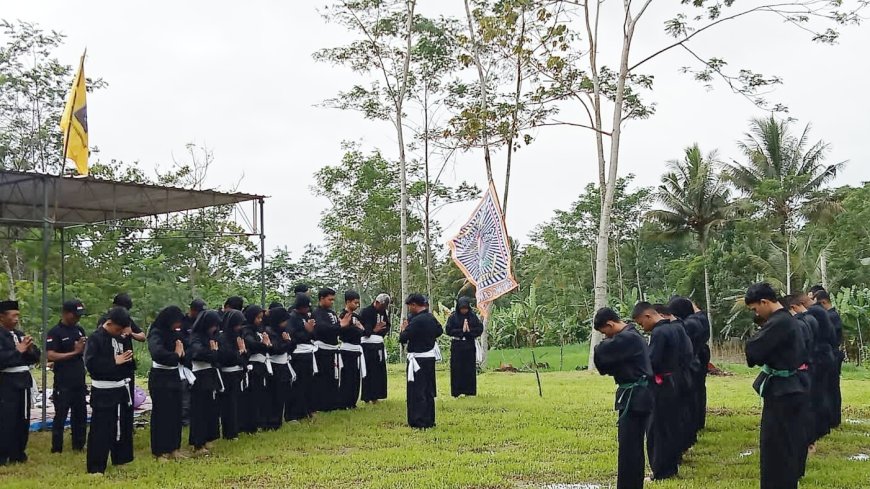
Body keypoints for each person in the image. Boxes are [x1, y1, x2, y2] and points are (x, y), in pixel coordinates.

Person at [744, 283, 810, 489]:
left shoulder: (779, 322)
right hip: (790, 387)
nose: (756, 313)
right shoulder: (787, 320)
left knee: (776, 447)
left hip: (783, 392)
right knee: (785, 444)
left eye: (755, 309)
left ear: (764, 302)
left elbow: (753, 351)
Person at [593, 307, 653, 489]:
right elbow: (606, 366)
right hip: (636, 395)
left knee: (629, 447)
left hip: (635, 396)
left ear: (610, 324)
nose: (606, 338)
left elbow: (600, 354)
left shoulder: (628, 338)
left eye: (606, 333)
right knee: (631, 446)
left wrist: (602, 346)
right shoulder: (630, 336)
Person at [632, 301, 692, 481]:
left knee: (656, 429)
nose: (643, 328)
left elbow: (652, 361)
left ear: (648, 316)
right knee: (671, 427)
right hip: (676, 380)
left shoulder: (659, 332)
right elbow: (688, 353)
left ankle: (660, 471)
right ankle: (671, 467)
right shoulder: (677, 327)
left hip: (660, 385)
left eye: (642, 323)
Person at [84, 306, 135, 475]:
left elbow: (126, 362)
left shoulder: (120, 338)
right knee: (101, 429)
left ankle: (120, 458)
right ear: (109, 322)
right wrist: (114, 361)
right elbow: (91, 365)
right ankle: (96, 466)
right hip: (103, 391)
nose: (120, 332)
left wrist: (127, 362)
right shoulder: (96, 338)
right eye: (118, 329)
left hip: (120, 388)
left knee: (120, 425)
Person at [97, 293, 145, 456]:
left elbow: (142, 336)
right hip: (110, 371)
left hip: (126, 367)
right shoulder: (105, 322)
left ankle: (126, 429)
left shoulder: (127, 320)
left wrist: (130, 333)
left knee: (128, 401)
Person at [148, 305, 191, 460]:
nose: (178, 325)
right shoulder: (156, 333)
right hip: (160, 376)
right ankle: (160, 451)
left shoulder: (175, 334)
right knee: (162, 414)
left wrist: (183, 355)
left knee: (175, 412)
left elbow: (185, 350)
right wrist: (176, 354)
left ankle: (174, 448)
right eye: (176, 322)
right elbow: (157, 353)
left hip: (174, 375)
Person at [0, 300, 40, 466]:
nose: (16, 319)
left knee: (22, 418)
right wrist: (18, 350)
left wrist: (29, 349)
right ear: (2, 317)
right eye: (13, 315)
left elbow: (35, 355)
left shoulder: (18, 334)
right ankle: (3, 454)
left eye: (18, 315)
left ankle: (18, 452)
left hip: (22, 383)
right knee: (5, 419)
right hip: (6, 383)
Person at [47, 299, 88, 454]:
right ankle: (56, 447)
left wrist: (83, 349)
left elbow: (82, 352)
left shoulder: (79, 330)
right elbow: (50, 355)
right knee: (61, 415)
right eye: (75, 315)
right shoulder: (55, 332)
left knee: (80, 413)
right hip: (63, 380)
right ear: (65, 313)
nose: (77, 318)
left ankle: (79, 444)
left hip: (78, 378)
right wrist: (74, 352)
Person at [667, 296, 706, 450]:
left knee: (685, 406)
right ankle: (692, 432)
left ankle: (686, 437)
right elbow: (700, 314)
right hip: (696, 364)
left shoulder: (685, 326)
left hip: (686, 367)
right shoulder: (699, 322)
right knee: (694, 400)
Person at [400, 294, 443, 429]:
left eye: (409, 306)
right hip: (429, 358)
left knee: (416, 390)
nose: (409, 309)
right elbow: (439, 331)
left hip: (417, 359)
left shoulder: (417, 321)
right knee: (428, 390)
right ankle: (429, 419)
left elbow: (404, 337)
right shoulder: (431, 318)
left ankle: (418, 420)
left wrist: (404, 329)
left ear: (414, 305)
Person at [802, 289, 838, 435]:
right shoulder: (821, 312)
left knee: (818, 393)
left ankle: (821, 426)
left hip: (820, 356)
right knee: (824, 391)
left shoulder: (813, 313)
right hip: (826, 354)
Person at [187, 310, 222, 455]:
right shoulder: (195, 337)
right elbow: (197, 353)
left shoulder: (211, 336)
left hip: (210, 373)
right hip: (199, 375)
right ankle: (198, 443)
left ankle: (209, 437)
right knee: (199, 410)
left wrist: (215, 354)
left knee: (210, 408)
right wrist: (213, 353)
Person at [312, 288, 349, 412]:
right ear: (322, 298)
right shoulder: (317, 313)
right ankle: (322, 404)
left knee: (333, 377)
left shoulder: (332, 313)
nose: (332, 302)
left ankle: (333, 402)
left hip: (333, 349)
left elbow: (337, 327)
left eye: (333, 299)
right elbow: (322, 328)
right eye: (330, 299)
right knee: (323, 378)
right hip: (322, 350)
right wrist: (339, 325)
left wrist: (340, 326)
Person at [814, 289, 843, 429]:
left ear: (823, 302)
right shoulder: (831, 316)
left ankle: (833, 418)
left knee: (830, 388)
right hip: (831, 354)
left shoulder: (831, 317)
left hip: (832, 355)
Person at [216, 309, 248, 440]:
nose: (239, 327)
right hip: (227, 374)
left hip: (238, 372)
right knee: (229, 405)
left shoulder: (238, 336)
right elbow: (224, 356)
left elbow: (246, 354)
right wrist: (240, 352)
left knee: (237, 403)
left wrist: (243, 353)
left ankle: (238, 427)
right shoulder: (222, 337)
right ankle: (229, 432)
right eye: (237, 325)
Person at [446, 297, 484, 398]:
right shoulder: (453, 317)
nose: (464, 311)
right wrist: (461, 331)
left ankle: (470, 391)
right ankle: (456, 392)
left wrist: (468, 331)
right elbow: (448, 330)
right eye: (462, 309)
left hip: (469, 345)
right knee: (457, 368)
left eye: (466, 308)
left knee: (469, 368)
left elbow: (479, 329)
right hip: (457, 345)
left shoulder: (473, 317)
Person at [287, 294, 317, 420]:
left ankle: (306, 410)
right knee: (298, 385)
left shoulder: (306, 316)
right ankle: (294, 413)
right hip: (298, 354)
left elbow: (314, 333)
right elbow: (293, 335)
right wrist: (307, 332)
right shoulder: (292, 318)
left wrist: (310, 332)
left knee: (308, 384)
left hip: (308, 352)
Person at [241, 305, 270, 432]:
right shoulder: (246, 330)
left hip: (262, 364)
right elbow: (251, 343)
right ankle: (251, 423)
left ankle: (261, 421)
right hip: (253, 365)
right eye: (257, 318)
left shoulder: (259, 329)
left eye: (261, 318)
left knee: (261, 395)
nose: (260, 320)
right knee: (253, 396)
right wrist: (263, 345)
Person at [264, 306, 294, 430]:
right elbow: (275, 349)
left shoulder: (283, 331)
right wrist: (287, 343)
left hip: (283, 364)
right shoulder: (269, 332)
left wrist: (289, 343)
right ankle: (271, 421)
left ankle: (277, 420)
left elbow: (291, 347)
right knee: (273, 395)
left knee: (282, 394)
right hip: (274, 366)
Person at [359, 293, 391, 403]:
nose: (383, 309)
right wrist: (374, 330)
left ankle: (377, 395)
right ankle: (368, 396)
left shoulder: (383, 312)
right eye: (382, 306)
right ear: (376, 302)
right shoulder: (366, 312)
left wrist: (380, 331)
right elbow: (365, 331)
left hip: (378, 343)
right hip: (368, 345)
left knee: (379, 371)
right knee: (369, 370)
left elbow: (387, 325)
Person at [338, 291, 365, 410]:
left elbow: (364, 331)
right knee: (347, 377)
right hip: (346, 350)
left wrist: (358, 329)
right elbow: (345, 332)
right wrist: (357, 329)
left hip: (357, 350)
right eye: (355, 303)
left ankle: (353, 402)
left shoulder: (357, 316)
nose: (357, 305)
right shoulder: (342, 315)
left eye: (358, 303)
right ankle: (344, 402)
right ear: (348, 302)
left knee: (355, 378)